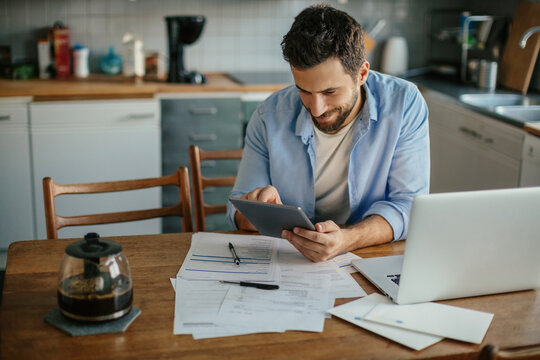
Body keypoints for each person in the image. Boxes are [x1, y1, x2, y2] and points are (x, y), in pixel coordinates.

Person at [226, 4, 429, 262]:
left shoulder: (404, 104)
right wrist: (258, 209)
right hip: (291, 262)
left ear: (362, 73)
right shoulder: (269, 116)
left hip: (369, 256)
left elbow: (410, 207)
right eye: (304, 91)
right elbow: (237, 212)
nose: (316, 108)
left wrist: (347, 239)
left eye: (330, 92)